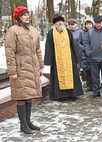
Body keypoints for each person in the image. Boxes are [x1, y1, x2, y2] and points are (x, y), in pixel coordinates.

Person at [5, 6, 43, 134]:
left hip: (32, 67)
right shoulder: (13, 31)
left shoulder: (33, 30)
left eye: (27, 14)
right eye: (24, 14)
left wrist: (40, 66)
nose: (27, 16)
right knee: (21, 96)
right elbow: (10, 52)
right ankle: (23, 124)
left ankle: (28, 121)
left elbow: (38, 49)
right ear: (18, 17)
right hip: (20, 68)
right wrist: (12, 71)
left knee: (28, 96)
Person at [44, 14, 83, 101]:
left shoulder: (68, 32)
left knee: (71, 75)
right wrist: (49, 60)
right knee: (58, 77)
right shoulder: (51, 33)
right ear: (55, 23)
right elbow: (49, 47)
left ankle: (72, 94)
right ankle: (60, 95)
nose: (60, 23)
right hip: (57, 60)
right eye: (57, 22)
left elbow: (73, 45)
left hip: (69, 59)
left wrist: (77, 57)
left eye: (61, 21)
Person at [78, 17, 94, 91]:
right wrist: (84, 49)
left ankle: (95, 85)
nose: (88, 25)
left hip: (93, 54)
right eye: (87, 24)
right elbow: (79, 43)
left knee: (94, 71)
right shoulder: (82, 32)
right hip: (85, 55)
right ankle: (89, 85)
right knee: (87, 71)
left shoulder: (95, 32)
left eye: (90, 24)